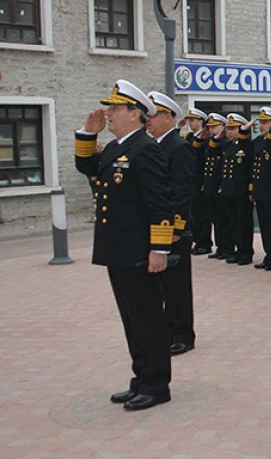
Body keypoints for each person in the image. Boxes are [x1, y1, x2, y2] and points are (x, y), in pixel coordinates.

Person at [75, 80, 175, 411]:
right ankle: (141, 379)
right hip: (117, 248)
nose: (109, 113)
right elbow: (87, 166)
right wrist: (88, 134)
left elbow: (161, 202)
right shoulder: (119, 147)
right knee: (132, 319)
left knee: (148, 319)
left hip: (138, 250)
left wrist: (159, 250)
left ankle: (157, 384)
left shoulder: (145, 149)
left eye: (116, 109)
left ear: (135, 115)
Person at [146, 92, 198, 357]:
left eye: (153, 115)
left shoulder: (179, 147)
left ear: (168, 117)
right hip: (160, 227)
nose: (148, 121)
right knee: (163, 284)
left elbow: (182, 191)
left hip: (175, 231)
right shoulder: (155, 145)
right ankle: (168, 329)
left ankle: (182, 334)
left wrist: (176, 228)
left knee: (177, 285)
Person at [250, 108, 271, 271]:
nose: (262, 126)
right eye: (261, 122)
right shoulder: (259, 141)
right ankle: (268, 254)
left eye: (265, 122)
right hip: (260, 190)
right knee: (264, 225)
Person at [220, 113, 254, 266]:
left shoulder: (245, 146)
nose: (229, 132)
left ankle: (245, 252)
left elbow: (250, 169)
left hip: (241, 191)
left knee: (243, 223)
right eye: (228, 128)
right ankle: (236, 250)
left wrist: (250, 189)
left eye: (233, 128)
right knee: (232, 222)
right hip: (228, 190)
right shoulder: (227, 145)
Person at [201, 114, 233, 260]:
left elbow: (224, 167)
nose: (212, 130)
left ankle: (227, 247)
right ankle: (220, 247)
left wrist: (221, 184)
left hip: (221, 186)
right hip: (211, 185)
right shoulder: (212, 142)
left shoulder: (226, 143)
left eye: (215, 127)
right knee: (216, 218)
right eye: (210, 127)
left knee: (224, 220)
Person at [184, 108, 212, 255]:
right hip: (190, 178)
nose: (190, 122)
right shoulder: (188, 137)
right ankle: (196, 240)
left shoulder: (205, 138)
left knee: (203, 213)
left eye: (193, 120)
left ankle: (205, 242)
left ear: (201, 121)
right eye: (189, 120)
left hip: (200, 178)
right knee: (192, 212)